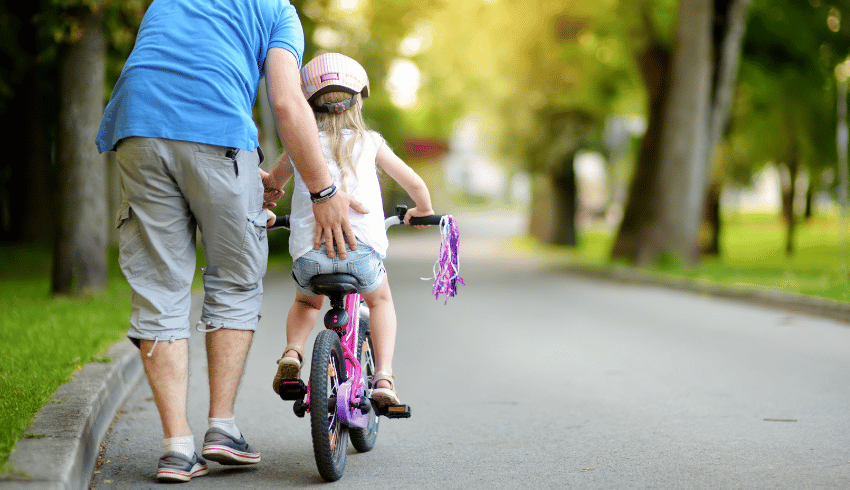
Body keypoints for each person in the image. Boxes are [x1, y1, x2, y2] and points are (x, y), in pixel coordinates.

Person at [95, 0, 366, 483]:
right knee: (236, 280)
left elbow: (168, 64)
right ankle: (221, 429)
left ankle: (176, 448)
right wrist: (324, 190)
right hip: (218, 130)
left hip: (137, 128)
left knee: (159, 289)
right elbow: (287, 103)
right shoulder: (277, 11)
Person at [264, 52, 434, 407]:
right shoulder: (370, 142)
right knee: (382, 300)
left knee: (307, 302)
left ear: (307, 103)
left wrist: (265, 210)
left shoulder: (299, 148)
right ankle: (384, 376)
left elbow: (272, 188)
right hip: (362, 258)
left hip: (310, 258)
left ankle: (293, 352)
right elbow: (415, 183)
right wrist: (423, 210)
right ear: (358, 99)